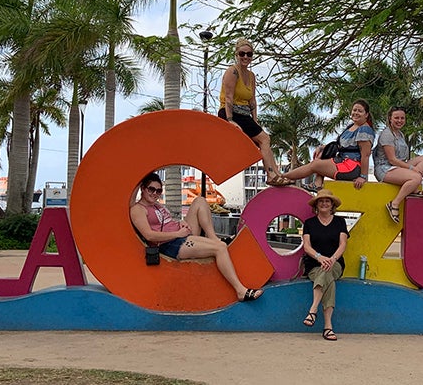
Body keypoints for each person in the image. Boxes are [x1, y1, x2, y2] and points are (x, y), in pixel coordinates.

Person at [129, 172, 263, 302]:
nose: (155, 194)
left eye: (158, 191)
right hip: (169, 245)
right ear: (143, 189)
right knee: (220, 248)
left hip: (180, 235)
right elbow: (149, 235)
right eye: (151, 189)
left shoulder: (157, 205)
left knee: (200, 201)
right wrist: (177, 233)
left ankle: (213, 238)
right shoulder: (138, 209)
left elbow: (166, 222)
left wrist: (180, 223)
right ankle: (240, 290)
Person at [219, 38, 288, 186]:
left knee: (264, 138)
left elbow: (252, 101)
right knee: (264, 139)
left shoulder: (251, 76)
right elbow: (229, 98)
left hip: (244, 114)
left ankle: (276, 173)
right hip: (229, 112)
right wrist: (230, 120)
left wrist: (255, 121)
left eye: (249, 54)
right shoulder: (232, 71)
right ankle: (271, 174)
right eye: (242, 53)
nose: (245, 57)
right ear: (236, 54)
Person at [279, 100, 376, 190]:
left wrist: (363, 177)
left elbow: (365, 155)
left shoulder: (364, 130)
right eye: (354, 110)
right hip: (341, 161)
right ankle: (317, 183)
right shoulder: (351, 127)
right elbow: (338, 145)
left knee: (315, 165)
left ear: (366, 114)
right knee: (321, 154)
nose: (356, 113)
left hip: (352, 167)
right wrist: (321, 148)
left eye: (360, 111)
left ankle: (284, 177)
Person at [301, 189, 349, 341]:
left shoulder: (340, 222)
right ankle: (328, 327)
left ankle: (313, 309)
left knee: (328, 270)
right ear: (316, 205)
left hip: (335, 263)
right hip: (314, 264)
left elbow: (342, 245)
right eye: (321, 201)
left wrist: (332, 259)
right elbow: (306, 247)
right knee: (327, 277)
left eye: (327, 201)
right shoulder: (309, 223)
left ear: (332, 204)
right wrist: (320, 258)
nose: (324, 203)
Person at [373, 106, 423, 223]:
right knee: (416, 177)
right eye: (396, 118)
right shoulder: (387, 134)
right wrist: (412, 168)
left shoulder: (400, 134)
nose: (400, 120)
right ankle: (394, 203)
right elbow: (392, 160)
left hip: (399, 166)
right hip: (385, 169)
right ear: (390, 119)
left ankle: (413, 187)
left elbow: (401, 160)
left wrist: (411, 168)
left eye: (402, 118)